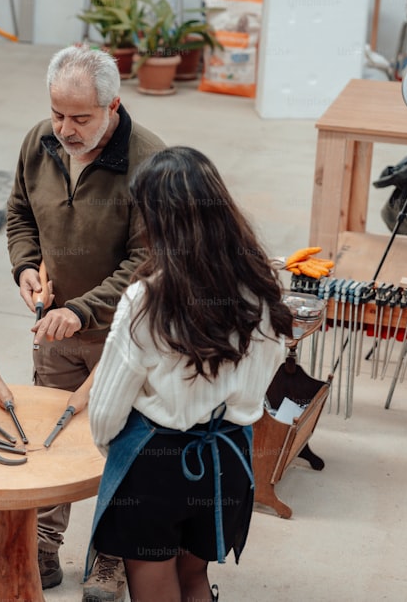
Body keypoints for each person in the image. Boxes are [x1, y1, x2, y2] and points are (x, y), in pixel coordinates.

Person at [87, 146, 294, 602]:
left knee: (156, 588)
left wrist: (113, 452)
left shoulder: (147, 298)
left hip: (156, 463)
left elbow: (106, 411)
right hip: (227, 461)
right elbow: (266, 376)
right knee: (194, 579)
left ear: (159, 221)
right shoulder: (266, 286)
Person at [6, 44, 165, 601]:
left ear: (113, 107)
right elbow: (20, 212)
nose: (64, 129)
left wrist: (81, 310)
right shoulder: (39, 142)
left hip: (120, 336)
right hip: (53, 326)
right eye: (57, 113)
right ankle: (44, 543)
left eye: (80, 117)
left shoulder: (149, 162)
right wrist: (26, 267)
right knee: (48, 433)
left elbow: (146, 261)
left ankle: (111, 554)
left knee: (119, 443)